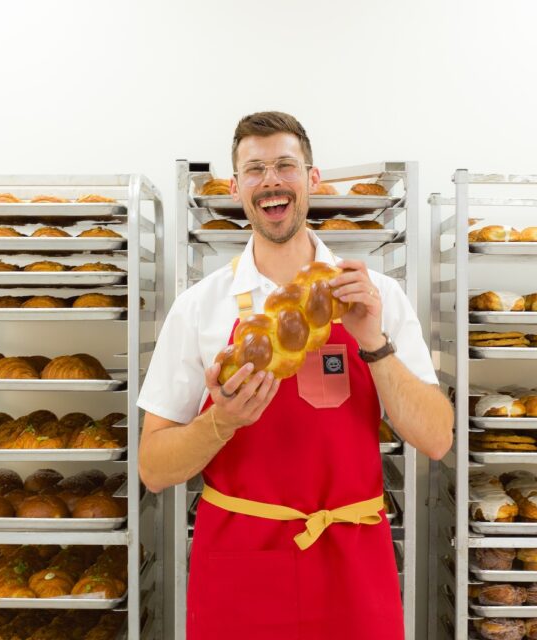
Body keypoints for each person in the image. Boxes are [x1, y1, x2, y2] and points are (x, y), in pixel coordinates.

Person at [137, 111, 453, 639]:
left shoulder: (375, 296)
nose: (271, 180)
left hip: (352, 564)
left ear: (312, 178)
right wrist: (221, 423)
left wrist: (373, 344)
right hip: (242, 565)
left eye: (286, 165)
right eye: (255, 169)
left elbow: (437, 438)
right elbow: (153, 468)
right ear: (236, 187)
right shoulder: (199, 308)